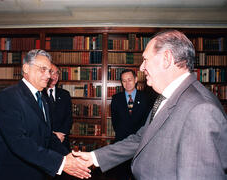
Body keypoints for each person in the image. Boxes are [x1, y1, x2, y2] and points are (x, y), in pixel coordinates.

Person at [73, 29, 227, 179]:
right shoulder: (167, 98)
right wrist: (95, 157)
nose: (141, 67)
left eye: (145, 59)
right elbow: (142, 138)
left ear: (166, 59)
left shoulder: (201, 110)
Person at [0, 49, 91, 180]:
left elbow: (47, 135)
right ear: (26, 68)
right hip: (14, 173)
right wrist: (61, 163)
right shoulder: (8, 97)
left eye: (49, 70)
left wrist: (68, 156)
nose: (49, 75)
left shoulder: (42, 99)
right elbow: (19, 142)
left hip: (39, 172)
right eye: (43, 69)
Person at [110, 69, 153, 180]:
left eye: (129, 80)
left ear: (135, 80)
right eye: (124, 81)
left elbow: (148, 121)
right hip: (122, 143)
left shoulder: (146, 98)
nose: (127, 83)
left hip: (140, 143)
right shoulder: (116, 98)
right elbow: (115, 122)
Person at [43, 64, 73, 151]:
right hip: (45, 140)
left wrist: (61, 134)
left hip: (62, 141)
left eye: (57, 73)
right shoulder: (39, 94)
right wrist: (52, 135)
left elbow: (69, 117)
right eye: (52, 72)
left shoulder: (65, 94)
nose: (55, 76)